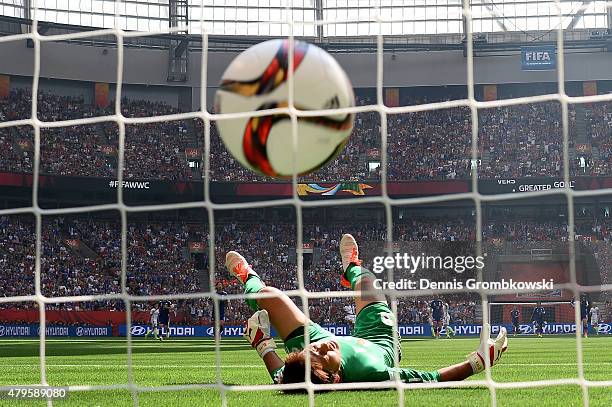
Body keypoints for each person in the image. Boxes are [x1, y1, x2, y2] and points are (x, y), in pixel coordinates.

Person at [227, 234, 508, 387]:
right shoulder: (372, 371)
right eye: (325, 355)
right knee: (369, 284)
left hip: (308, 348)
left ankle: (248, 276)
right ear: (336, 377)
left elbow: (282, 377)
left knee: (268, 296)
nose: (322, 347)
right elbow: (431, 378)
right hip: (377, 343)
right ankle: (353, 266)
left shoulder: (306, 358)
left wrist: (263, 345)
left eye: (315, 351)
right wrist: (478, 362)